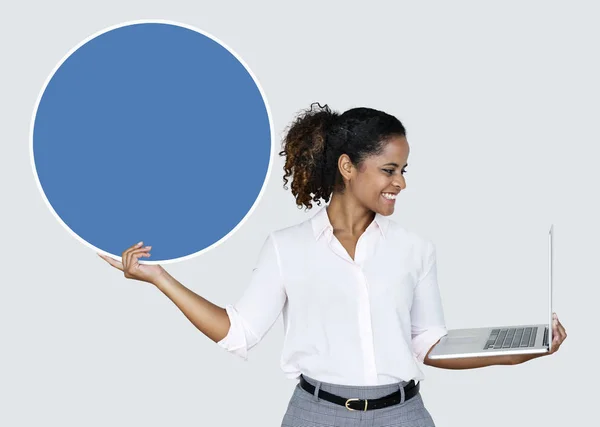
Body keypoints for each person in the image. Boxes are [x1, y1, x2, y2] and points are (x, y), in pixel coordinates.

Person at [98, 102, 567, 426]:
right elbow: (237, 332)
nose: (401, 183)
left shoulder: (414, 249)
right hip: (315, 415)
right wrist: (159, 278)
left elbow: (429, 345)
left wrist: (521, 349)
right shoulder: (287, 247)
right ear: (347, 167)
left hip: (403, 414)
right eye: (390, 170)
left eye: (404, 171)